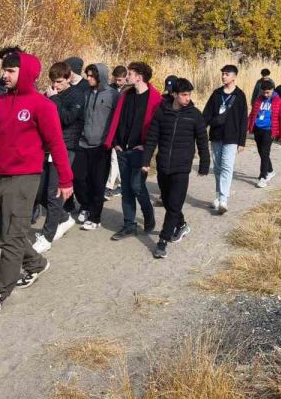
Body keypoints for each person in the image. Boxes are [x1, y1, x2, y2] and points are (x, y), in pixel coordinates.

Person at [0, 50, 73, 321]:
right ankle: (36, 263)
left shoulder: (42, 105)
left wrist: (65, 179)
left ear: (26, 73)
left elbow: (56, 143)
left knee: (12, 236)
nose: (5, 75)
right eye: (4, 70)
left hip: (24, 179)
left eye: (11, 71)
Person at [141, 78, 210, 259]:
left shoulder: (194, 115)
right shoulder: (161, 112)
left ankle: (163, 241)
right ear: (174, 94)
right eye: (184, 95)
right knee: (168, 201)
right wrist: (146, 160)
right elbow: (152, 138)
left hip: (182, 167)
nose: (188, 98)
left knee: (174, 205)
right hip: (163, 165)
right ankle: (181, 225)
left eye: (189, 95)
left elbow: (202, 140)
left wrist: (204, 164)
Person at [105, 62, 162, 240]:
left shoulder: (155, 99)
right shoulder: (126, 95)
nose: (127, 76)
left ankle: (148, 214)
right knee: (126, 188)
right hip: (122, 149)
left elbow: (158, 128)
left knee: (137, 186)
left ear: (139, 77)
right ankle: (129, 225)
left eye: (130, 73)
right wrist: (116, 143)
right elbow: (117, 120)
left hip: (140, 151)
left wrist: (146, 146)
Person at [32, 61, 83, 253]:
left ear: (69, 78)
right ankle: (63, 217)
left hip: (65, 148)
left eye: (59, 82)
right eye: (53, 82)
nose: (55, 86)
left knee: (54, 193)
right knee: (39, 192)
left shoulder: (77, 95)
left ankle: (47, 237)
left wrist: (54, 99)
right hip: (47, 148)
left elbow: (67, 118)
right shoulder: (52, 94)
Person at [73, 63, 118, 231]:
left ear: (101, 77)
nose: (89, 78)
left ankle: (95, 217)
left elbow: (118, 120)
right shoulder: (85, 93)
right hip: (82, 142)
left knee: (98, 183)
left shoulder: (113, 95)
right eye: (88, 75)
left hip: (102, 145)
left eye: (92, 76)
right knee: (78, 178)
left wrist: (112, 142)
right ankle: (85, 205)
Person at [201, 64, 248, 214]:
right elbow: (206, 114)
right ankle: (218, 195)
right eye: (222, 74)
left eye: (227, 74)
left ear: (234, 77)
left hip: (232, 137)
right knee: (217, 168)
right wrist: (199, 129)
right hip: (216, 136)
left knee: (227, 167)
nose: (223, 76)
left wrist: (242, 141)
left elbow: (243, 120)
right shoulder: (216, 94)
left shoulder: (240, 95)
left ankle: (223, 200)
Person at [247, 80, 281, 187]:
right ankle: (270, 170)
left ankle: (263, 177)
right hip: (257, 129)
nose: (265, 94)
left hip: (269, 130)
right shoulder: (258, 99)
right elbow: (252, 114)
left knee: (264, 152)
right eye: (263, 92)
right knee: (262, 153)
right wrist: (248, 126)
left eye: (267, 92)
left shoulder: (279, 101)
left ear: (272, 90)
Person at [104, 65, 128, 200]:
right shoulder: (110, 89)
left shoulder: (129, 90)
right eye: (116, 80)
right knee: (114, 158)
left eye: (120, 80)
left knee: (116, 158)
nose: (118, 82)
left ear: (125, 78)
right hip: (110, 127)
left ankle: (109, 186)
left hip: (122, 129)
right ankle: (120, 185)